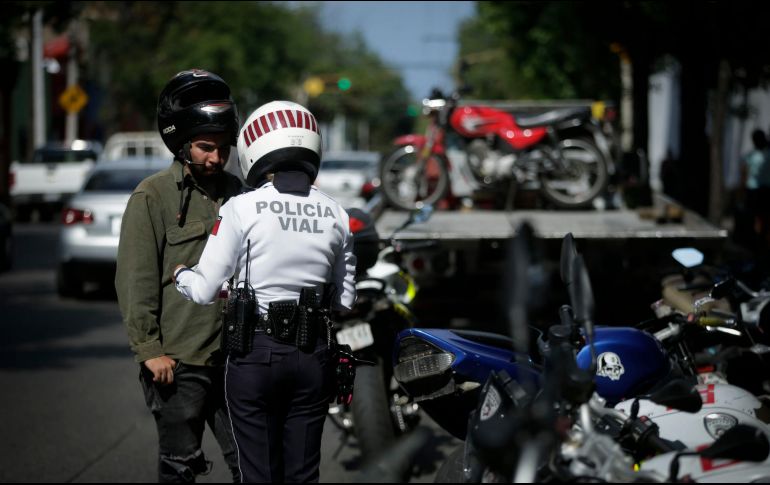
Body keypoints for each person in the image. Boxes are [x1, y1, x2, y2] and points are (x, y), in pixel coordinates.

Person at [172, 100, 357, 483]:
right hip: (313, 357)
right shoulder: (337, 213)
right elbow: (344, 300)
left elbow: (205, 289)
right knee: (304, 474)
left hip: (255, 354)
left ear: (254, 146)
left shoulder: (242, 208)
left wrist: (180, 275)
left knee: (258, 472)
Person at [115, 69, 243, 483]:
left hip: (235, 359)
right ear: (181, 142)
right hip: (178, 363)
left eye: (224, 148)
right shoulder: (152, 196)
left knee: (253, 463)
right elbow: (136, 280)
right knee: (180, 465)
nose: (216, 158)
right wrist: (149, 349)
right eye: (206, 147)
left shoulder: (240, 194)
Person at [740, 129, 770, 252]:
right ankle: (756, 241)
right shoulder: (753, 155)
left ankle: (758, 241)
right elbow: (744, 172)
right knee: (758, 217)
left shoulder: (755, 155)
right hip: (758, 190)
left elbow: (744, 172)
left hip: (760, 190)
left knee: (760, 217)